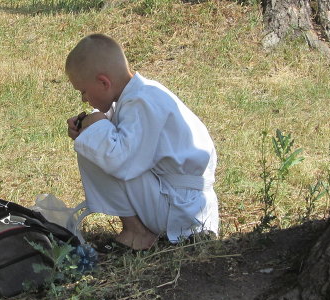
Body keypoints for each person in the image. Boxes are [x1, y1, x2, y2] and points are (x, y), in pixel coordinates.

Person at [64, 33, 219, 251]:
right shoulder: (138, 95)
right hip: (177, 202)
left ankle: (137, 233)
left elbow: (121, 161)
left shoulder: (142, 101)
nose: (83, 99)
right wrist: (90, 126)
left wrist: (95, 125)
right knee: (92, 140)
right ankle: (138, 230)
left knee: (96, 146)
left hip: (182, 212)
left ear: (103, 82)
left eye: (83, 92)